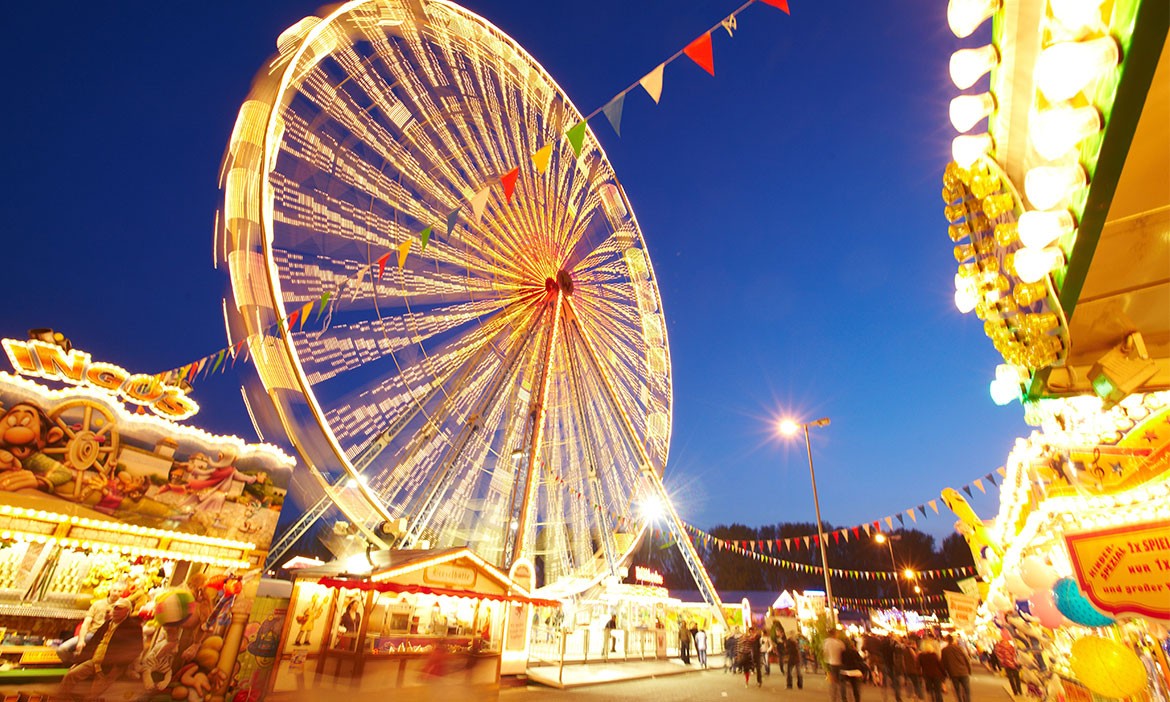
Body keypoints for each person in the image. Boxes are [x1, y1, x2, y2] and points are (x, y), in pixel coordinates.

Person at [57, 599, 143, 700]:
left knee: (92, 696)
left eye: (119, 609)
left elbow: (137, 648)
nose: (115, 611)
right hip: (94, 661)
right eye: (114, 609)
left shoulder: (133, 627)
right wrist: (79, 661)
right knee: (70, 676)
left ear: (127, 612)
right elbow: (93, 642)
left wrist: (119, 664)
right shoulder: (107, 623)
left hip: (111, 666)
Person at [57, 585, 121, 664]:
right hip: (92, 634)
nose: (116, 593)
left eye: (119, 591)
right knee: (62, 649)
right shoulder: (97, 604)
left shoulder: (123, 606)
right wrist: (81, 640)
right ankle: (74, 664)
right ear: (110, 591)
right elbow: (86, 623)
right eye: (114, 590)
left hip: (110, 637)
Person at [941, 635, 971, 702]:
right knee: (967, 690)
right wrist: (969, 670)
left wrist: (944, 676)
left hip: (953, 673)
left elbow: (943, 663)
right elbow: (966, 659)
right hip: (964, 671)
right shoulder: (959, 648)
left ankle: (960, 700)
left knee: (957, 691)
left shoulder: (944, 650)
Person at [823, 628, 847, 702]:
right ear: (835, 634)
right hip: (840, 663)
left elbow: (825, 652)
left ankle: (833, 699)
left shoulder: (826, 642)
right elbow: (844, 650)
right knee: (842, 682)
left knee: (833, 682)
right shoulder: (839, 642)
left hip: (831, 663)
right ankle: (843, 698)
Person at [880, 635, 903, 702]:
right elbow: (899, 657)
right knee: (896, 682)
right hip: (893, 665)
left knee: (886, 681)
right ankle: (897, 697)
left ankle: (885, 697)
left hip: (886, 664)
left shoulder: (883, 644)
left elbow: (881, 652)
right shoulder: (897, 646)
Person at [902, 637, 924, 701]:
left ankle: (915, 696)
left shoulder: (904, 650)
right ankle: (920, 697)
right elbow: (915, 659)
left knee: (914, 683)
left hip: (908, 670)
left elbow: (903, 661)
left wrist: (905, 669)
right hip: (914, 670)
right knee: (917, 684)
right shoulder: (911, 650)